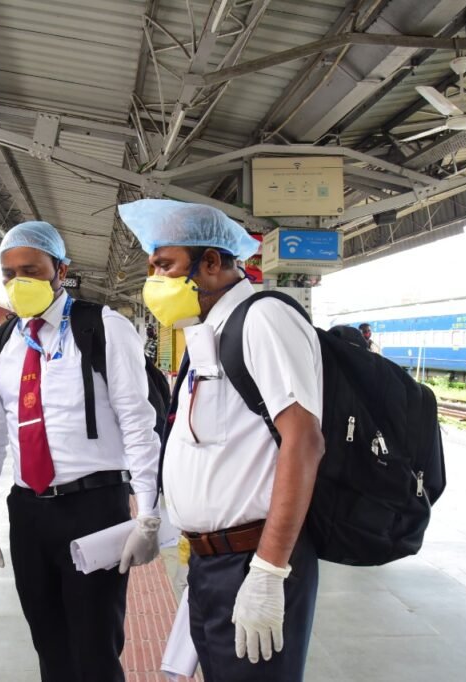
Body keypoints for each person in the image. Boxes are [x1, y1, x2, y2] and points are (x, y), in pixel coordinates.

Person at [119, 199, 325, 682]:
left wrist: (269, 572)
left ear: (210, 262)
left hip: (254, 561)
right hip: (213, 564)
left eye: (165, 265)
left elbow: (304, 441)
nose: (155, 280)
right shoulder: (211, 332)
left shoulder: (262, 319)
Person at [0, 220, 161, 682]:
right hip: (28, 513)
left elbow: (138, 425)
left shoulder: (103, 327)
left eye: (31, 270)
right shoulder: (0, 344)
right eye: (9, 273)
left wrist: (149, 515)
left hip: (94, 509)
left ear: (61, 270)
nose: (19, 282)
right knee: (49, 647)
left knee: (94, 652)